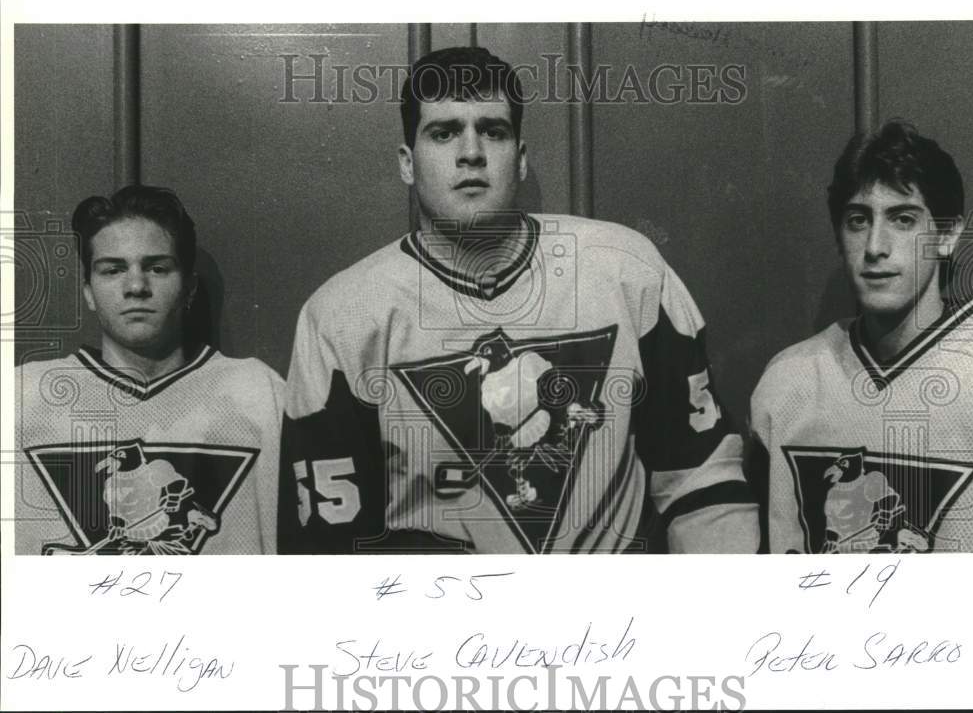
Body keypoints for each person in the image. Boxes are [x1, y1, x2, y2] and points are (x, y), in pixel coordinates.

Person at [278, 46, 757, 554]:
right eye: (443, 133)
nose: (471, 152)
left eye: (493, 130)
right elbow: (325, 550)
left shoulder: (625, 271)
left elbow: (703, 484)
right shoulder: (343, 317)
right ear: (407, 164)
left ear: (521, 158)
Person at [750, 120, 973, 554]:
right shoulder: (788, 382)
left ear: (949, 234)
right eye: (858, 220)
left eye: (902, 219)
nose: (876, 245)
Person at [14, 185, 284, 555]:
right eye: (113, 270)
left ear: (188, 288)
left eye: (157, 268)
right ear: (89, 292)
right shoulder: (21, 397)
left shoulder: (258, 392)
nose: (136, 286)